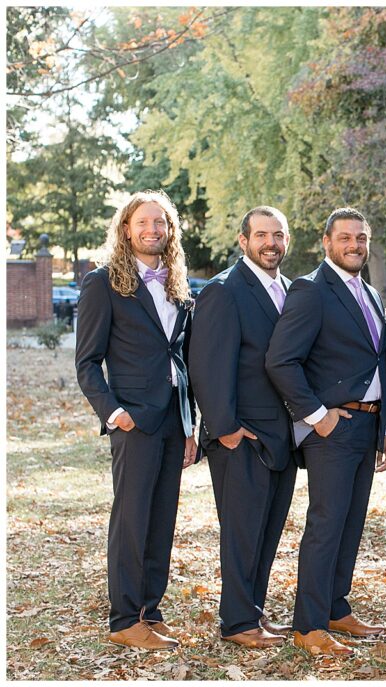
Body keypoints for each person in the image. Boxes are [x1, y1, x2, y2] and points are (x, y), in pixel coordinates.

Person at [265, 207, 386, 656]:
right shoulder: (311, 289)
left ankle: (337, 608)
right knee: (326, 524)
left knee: (351, 522)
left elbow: (379, 364)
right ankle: (310, 624)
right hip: (332, 428)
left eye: (360, 237)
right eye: (344, 238)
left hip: (369, 423)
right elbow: (281, 361)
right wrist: (317, 415)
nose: (354, 245)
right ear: (326, 242)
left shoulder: (371, 295)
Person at [75, 189, 198, 650]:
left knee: (162, 518)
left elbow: (184, 361)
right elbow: (87, 362)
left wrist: (190, 425)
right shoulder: (102, 283)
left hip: (172, 419)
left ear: (170, 231)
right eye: (143, 222)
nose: (152, 230)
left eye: (160, 223)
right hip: (133, 421)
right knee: (131, 518)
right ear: (126, 229)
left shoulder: (179, 288)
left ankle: (151, 608)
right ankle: (125, 618)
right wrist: (114, 413)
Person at [189, 206, 297, 648]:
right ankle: (236, 623)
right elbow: (207, 364)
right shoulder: (224, 290)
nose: (270, 243)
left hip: (283, 436)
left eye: (278, 235)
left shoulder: (290, 289)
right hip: (241, 437)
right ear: (243, 240)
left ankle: (254, 613)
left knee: (267, 532)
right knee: (241, 533)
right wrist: (225, 427)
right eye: (262, 235)